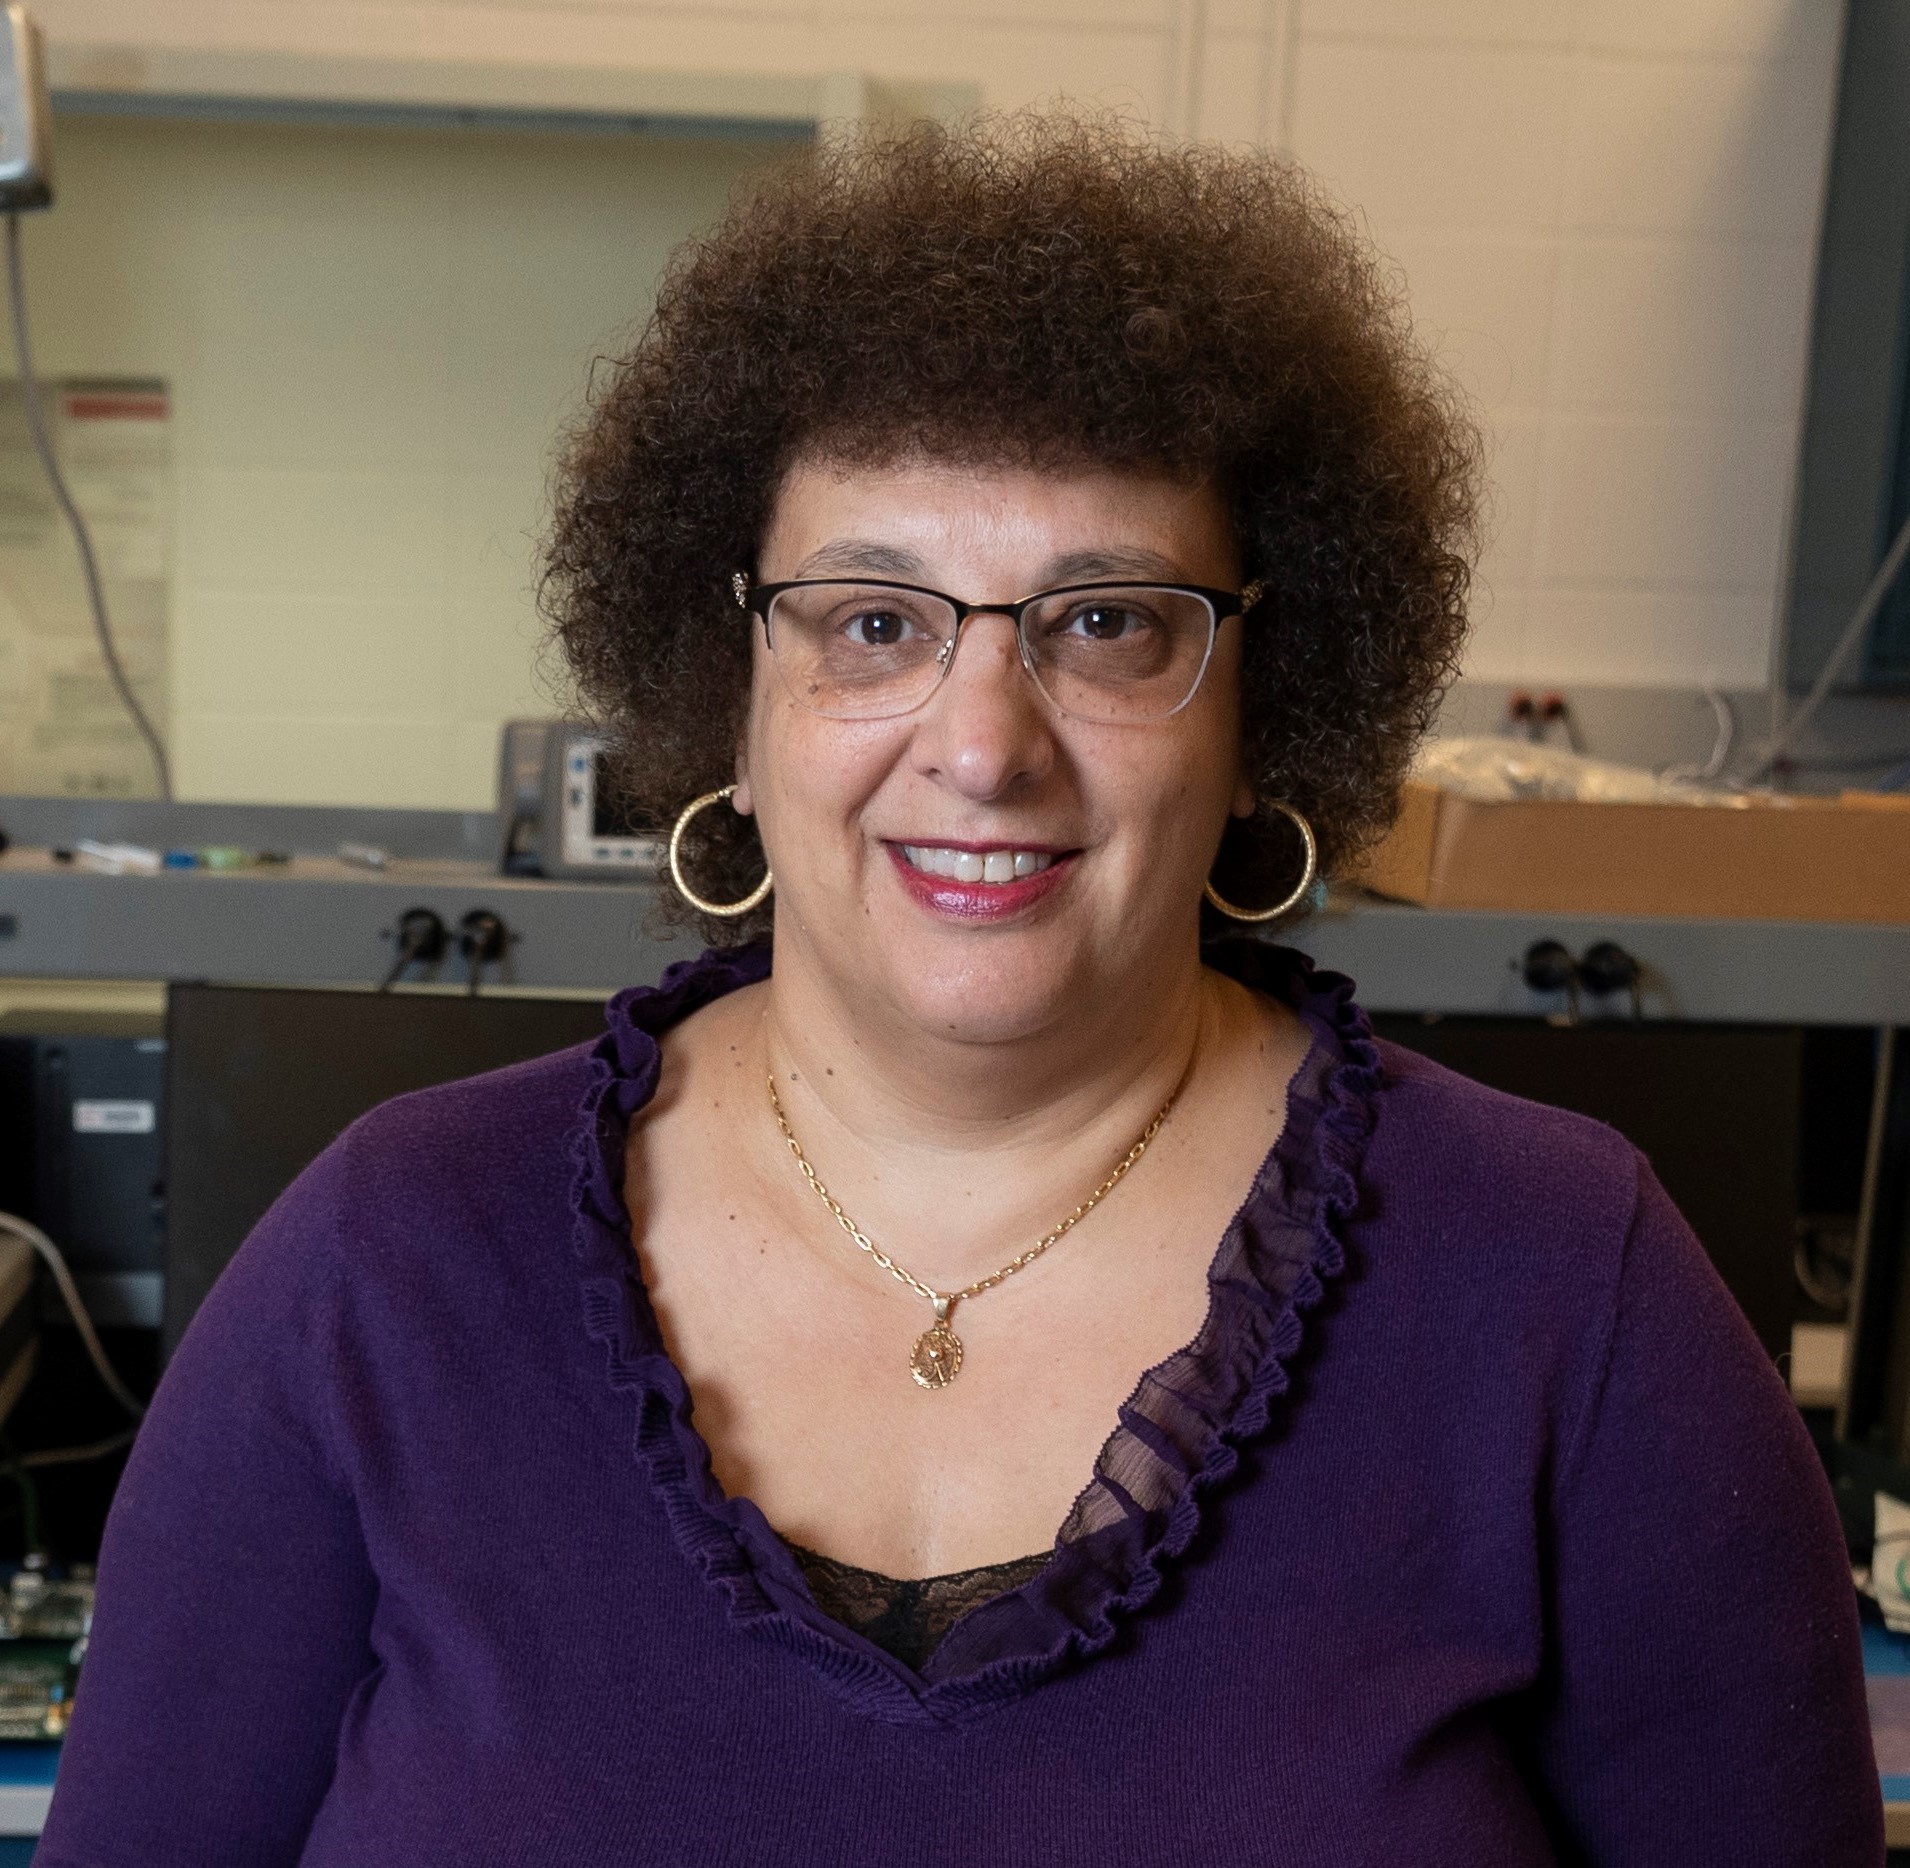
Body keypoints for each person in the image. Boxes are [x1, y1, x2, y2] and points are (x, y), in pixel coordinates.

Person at [39, 116, 1880, 1866]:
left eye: (1106, 623)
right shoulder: (386, 1264)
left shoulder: (1566, 1295)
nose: (982, 746)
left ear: (1261, 712)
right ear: (728, 707)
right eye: (870, 622)